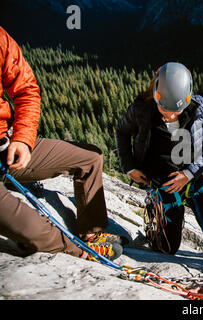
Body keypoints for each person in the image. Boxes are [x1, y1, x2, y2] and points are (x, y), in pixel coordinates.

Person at [0, 26, 124, 261]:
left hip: (5, 147)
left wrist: (23, 139)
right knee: (33, 229)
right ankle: (79, 251)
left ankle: (93, 232)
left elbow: (26, 89)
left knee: (90, 158)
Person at [115, 62, 203, 256]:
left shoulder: (197, 106)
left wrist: (188, 174)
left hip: (193, 175)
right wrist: (129, 167)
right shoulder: (142, 108)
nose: (170, 115)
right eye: (164, 109)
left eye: (176, 111)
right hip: (162, 180)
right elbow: (122, 131)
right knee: (168, 248)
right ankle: (155, 231)